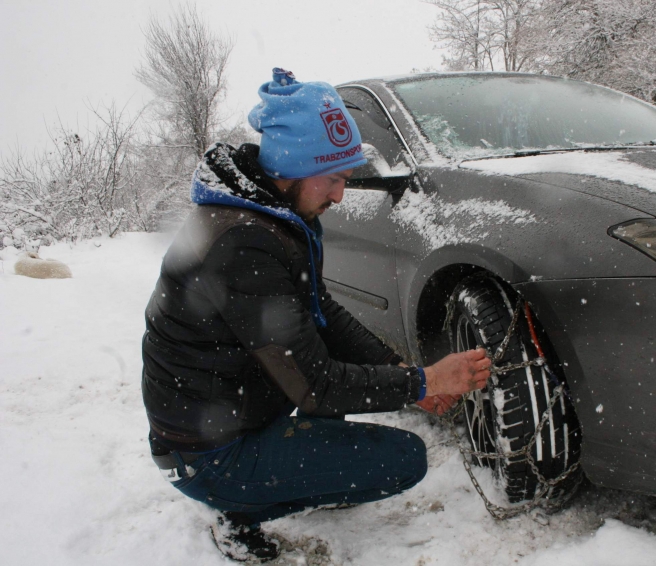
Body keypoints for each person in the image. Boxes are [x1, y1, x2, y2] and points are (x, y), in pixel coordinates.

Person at [141, 68, 491, 562]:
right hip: (206, 455)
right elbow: (316, 386)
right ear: (294, 166)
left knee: (319, 348)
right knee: (404, 461)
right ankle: (238, 511)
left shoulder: (273, 214)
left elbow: (319, 308)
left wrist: (400, 373)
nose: (339, 196)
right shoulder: (245, 243)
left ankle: (279, 474)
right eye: (334, 179)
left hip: (231, 412)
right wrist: (422, 382)